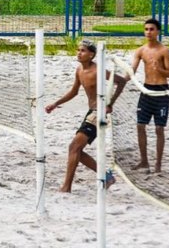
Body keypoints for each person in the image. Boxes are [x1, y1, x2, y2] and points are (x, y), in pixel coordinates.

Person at [45, 40, 127, 192]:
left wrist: (110, 104)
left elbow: (121, 81)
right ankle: (106, 176)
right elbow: (74, 92)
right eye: (78, 50)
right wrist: (55, 104)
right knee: (76, 150)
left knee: (74, 147)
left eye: (82, 50)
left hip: (99, 113)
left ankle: (66, 187)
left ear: (91, 55)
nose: (78, 53)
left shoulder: (99, 70)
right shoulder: (79, 70)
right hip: (91, 112)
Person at [131, 18, 169, 173]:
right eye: (146, 29)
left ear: (158, 31)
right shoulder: (141, 50)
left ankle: (158, 164)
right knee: (140, 126)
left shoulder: (164, 50)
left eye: (152, 29)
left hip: (161, 92)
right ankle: (144, 161)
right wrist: (118, 79)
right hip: (146, 91)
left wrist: (159, 69)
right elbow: (131, 72)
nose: (148, 32)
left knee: (159, 129)